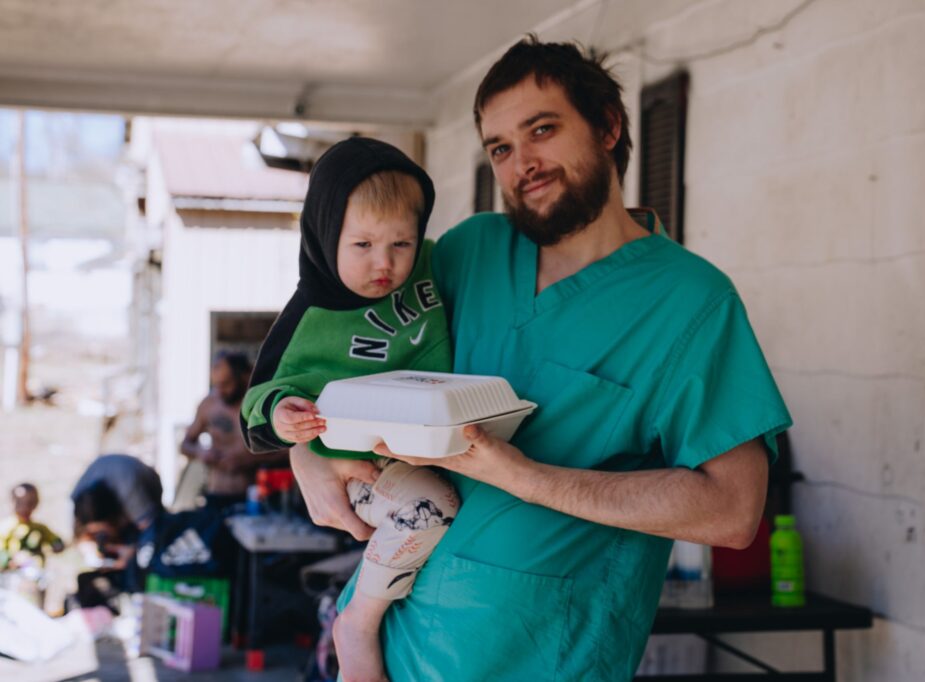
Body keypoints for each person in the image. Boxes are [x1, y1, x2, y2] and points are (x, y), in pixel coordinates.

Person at [292, 36, 794, 681]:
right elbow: (341, 341)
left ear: (608, 126)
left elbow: (731, 511)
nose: (521, 161)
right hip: (393, 642)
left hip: (545, 658)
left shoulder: (690, 301)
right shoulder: (468, 252)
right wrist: (305, 451)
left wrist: (523, 475)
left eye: (543, 129)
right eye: (500, 147)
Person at [241, 137, 459, 682]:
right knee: (432, 509)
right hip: (364, 466)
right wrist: (284, 417)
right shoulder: (310, 314)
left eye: (401, 244)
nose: (384, 264)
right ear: (323, 234)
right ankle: (357, 621)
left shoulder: (437, 264)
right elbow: (257, 404)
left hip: (439, 445)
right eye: (361, 244)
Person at [181, 351, 288, 509]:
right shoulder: (209, 405)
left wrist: (249, 460)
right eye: (216, 385)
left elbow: (289, 452)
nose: (220, 390)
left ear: (244, 376)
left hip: (256, 498)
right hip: (216, 494)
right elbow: (185, 445)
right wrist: (201, 453)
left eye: (226, 384)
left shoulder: (263, 407)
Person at [70, 454, 163, 611]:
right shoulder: (77, 499)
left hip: (145, 487)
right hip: (111, 485)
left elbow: (153, 533)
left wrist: (131, 553)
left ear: (119, 519)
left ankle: (134, 601)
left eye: (104, 532)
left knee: (140, 562)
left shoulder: (132, 494)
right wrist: (91, 552)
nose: (102, 538)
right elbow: (79, 538)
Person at [0, 483, 65, 570]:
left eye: (30, 503)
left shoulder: (39, 528)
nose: (25, 508)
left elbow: (55, 541)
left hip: (36, 573)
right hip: (12, 576)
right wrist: (10, 560)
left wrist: (57, 546)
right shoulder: (5, 528)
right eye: (19, 503)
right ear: (12, 502)